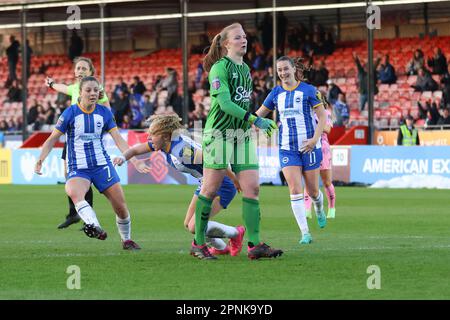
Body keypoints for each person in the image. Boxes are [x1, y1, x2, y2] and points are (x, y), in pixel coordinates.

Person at [193, 22, 283, 260]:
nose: (243, 40)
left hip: (241, 135)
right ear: (225, 44)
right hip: (219, 134)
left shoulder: (246, 69)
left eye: (244, 36)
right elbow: (224, 104)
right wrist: (256, 120)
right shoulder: (218, 69)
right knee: (210, 189)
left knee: (252, 188)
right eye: (237, 37)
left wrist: (252, 123)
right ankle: (198, 244)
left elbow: (242, 103)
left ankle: (254, 245)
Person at [114, 114, 246, 256]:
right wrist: (122, 158)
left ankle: (236, 233)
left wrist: (233, 178)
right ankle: (221, 248)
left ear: (165, 136)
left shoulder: (182, 151)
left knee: (194, 226)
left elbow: (214, 159)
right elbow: (134, 150)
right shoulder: (166, 142)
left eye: (153, 134)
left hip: (222, 184)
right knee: (188, 223)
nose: (149, 138)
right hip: (205, 182)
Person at [34, 77, 141, 250]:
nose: (93, 93)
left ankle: (126, 240)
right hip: (78, 167)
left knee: (121, 208)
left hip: (101, 165)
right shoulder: (70, 113)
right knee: (73, 191)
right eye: (89, 90)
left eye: (96, 90)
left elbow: (119, 139)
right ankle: (94, 226)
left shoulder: (105, 113)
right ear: (81, 92)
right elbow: (52, 138)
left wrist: (134, 160)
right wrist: (40, 160)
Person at [255, 56, 327, 245]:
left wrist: (314, 140)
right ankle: (305, 233)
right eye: (279, 70)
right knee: (295, 189)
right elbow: (258, 115)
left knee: (312, 191)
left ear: (294, 69)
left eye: (286, 69)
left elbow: (322, 116)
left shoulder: (309, 90)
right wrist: (242, 121)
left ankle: (319, 206)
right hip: (287, 148)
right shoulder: (275, 93)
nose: (283, 73)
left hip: (310, 146)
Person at [45, 56, 110, 229]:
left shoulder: (97, 90)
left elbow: (108, 113)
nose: (80, 71)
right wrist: (51, 84)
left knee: (84, 177)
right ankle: (74, 214)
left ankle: (88, 216)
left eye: (84, 69)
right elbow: (63, 87)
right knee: (69, 176)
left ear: (91, 72)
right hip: (72, 139)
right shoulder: (75, 89)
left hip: (88, 142)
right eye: (78, 68)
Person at [304, 95, 336, 219]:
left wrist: (317, 121)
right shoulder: (306, 112)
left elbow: (327, 129)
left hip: (323, 148)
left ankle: (332, 208)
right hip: (310, 147)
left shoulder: (326, 113)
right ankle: (307, 210)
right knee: (309, 182)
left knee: (327, 182)